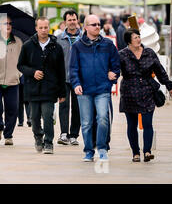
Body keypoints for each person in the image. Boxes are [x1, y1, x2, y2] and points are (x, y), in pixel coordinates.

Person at [69, 14, 120, 162]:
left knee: (103, 118)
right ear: (85, 27)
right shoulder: (77, 46)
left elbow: (116, 65)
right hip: (84, 90)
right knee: (86, 123)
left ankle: (102, 148)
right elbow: (73, 68)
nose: (98, 26)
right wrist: (76, 83)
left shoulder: (108, 45)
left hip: (103, 89)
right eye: (94, 24)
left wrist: (114, 73)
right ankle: (89, 151)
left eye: (99, 24)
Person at [119, 28, 172, 162]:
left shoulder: (149, 53)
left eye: (139, 37)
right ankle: (135, 153)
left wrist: (169, 86)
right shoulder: (121, 54)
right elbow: (114, 70)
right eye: (135, 38)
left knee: (147, 123)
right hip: (129, 93)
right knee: (131, 125)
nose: (138, 39)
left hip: (147, 91)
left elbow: (160, 71)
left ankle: (147, 151)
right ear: (128, 41)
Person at [18, 17, 66, 154]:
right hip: (32, 88)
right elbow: (20, 65)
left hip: (50, 89)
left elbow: (61, 71)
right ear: (36, 28)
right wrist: (32, 72)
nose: (44, 30)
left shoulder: (56, 47)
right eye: (41, 28)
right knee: (34, 118)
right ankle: (38, 136)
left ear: (49, 28)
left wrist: (62, 93)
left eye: (46, 27)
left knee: (47, 116)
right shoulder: (28, 45)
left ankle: (49, 142)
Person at [0, 15, 23, 146]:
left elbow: (22, 60)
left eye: (9, 23)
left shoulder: (18, 41)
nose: (7, 26)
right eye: (4, 23)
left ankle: (8, 135)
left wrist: (19, 73)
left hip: (13, 81)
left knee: (12, 109)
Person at [56, 10, 82, 146]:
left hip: (79, 79)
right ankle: (64, 133)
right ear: (65, 22)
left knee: (77, 108)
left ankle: (74, 135)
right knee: (63, 105)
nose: (72, 22)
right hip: (63, 78)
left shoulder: (84, 38)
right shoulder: (59, 39)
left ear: (77, 21)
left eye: (74, 19)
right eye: (69, 20)